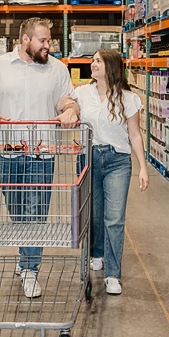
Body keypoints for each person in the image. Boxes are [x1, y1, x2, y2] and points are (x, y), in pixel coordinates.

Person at [0, 17, 80, 298]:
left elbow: (65, 100)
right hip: (9, 153)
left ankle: (31, 269)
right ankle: (26, 256)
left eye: (49, 40)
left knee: (36, 212)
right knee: (17, 211)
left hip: (42, 152)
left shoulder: (57, 68)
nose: (48, 45)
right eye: (43, 40)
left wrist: (70, 110)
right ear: (25, 40)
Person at [62, 48, 148, 296]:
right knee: (94, 214)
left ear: (111, 66)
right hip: (88, 158)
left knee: (115, 218)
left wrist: (143, 167)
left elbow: (134, 134)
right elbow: (68, 107)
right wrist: (68, 110)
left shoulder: (128, 99)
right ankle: (96, 253)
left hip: (118, 160)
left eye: (98, 61)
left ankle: (113, 274)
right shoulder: (81, 93)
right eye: (92, 61)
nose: (93, 64)